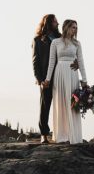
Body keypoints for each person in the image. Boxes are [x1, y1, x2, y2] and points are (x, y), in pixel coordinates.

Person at [32, 14, 78, 144]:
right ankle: (44, 134)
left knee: (64, 104)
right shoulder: (38, 40)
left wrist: (76, 63)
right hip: (46, 78)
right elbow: (35, 62)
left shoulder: (61, 38)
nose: (58, 24)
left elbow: (72, 52)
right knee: (45, 105)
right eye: (55, 22)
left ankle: (65, 133)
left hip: (62, 75)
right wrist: (40, 79)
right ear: (48, 23)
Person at [42, 19, 87, 144]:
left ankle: (73, 135)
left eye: (76, 27)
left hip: (72, 75)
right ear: (66, 27)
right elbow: (52, 62)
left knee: (72, 104)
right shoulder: (56, 42)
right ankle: (62, 135)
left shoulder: (77, 44)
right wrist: (47, 79)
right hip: (59, 74)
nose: (75, 30)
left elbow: (81, 62)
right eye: (73, 27)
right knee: (61, 103)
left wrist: (84, 80)